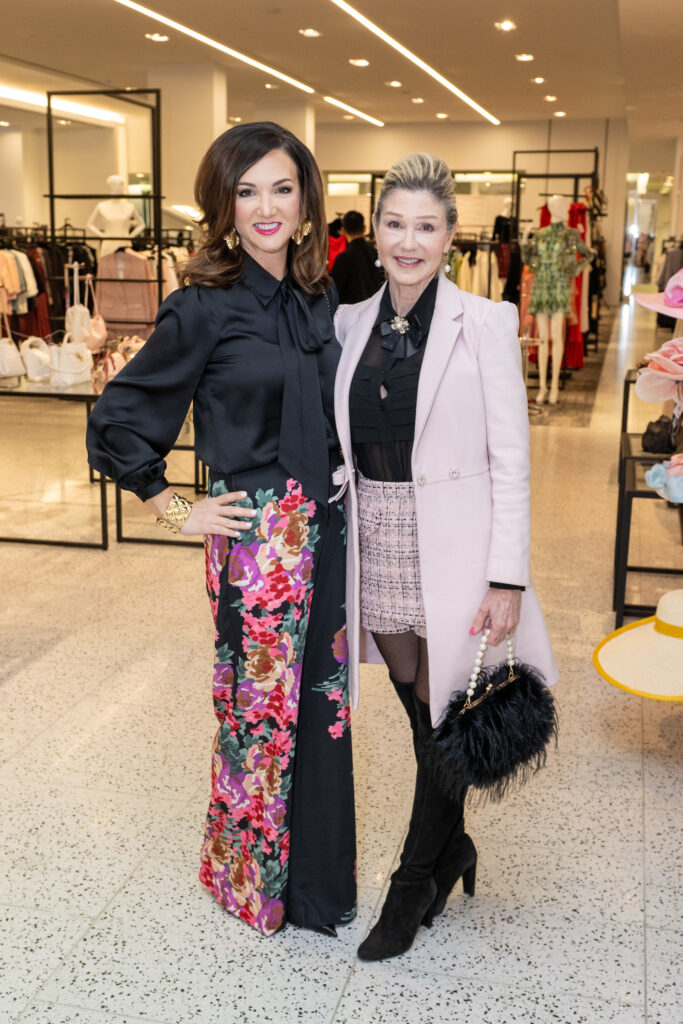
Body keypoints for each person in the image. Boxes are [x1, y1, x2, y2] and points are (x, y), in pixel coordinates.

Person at [86, 122, 356, 938]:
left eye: (281, 187)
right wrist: (176, 510)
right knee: (256, 714)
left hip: (327, 530)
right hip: (258, 542)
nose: (266, 207)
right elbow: (117, 423)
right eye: (247, 191)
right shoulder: (202, 306)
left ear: (305, 198)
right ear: (224, 205)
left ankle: (316, 889)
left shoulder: (321, 297)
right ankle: (251, 885)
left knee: (324, 707)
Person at [333, 153, 558, 961]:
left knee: (439, 719)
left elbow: (511, 459)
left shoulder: (486, 322)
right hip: (378, 539)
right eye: (394, 223)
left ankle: (411, 883)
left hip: (457, 549)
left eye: (425, 227)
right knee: (424, 718)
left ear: (450, 237)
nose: (407, 240)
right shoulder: (348, 321)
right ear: (376, 228)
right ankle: (454, 848)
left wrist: (507, 577)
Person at [330, 210, 385, 304]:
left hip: (351, 313)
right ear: (364, 228)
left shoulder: (344, 258)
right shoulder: (377, 254)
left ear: (343, 230)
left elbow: (333, 292)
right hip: (375, 310)